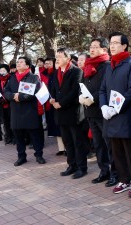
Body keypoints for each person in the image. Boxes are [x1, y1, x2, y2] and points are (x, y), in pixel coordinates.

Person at [99, 31, 131, 198]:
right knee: (116, 149)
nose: (112, 45)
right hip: (110, 115)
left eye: (116, 43)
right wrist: (104, 107)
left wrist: (116, 108)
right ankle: (124, 179)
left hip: (125, 114)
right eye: (111, 43)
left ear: (124, 46)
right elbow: (103, 89)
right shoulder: (110, 66)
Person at [81, 37, 117, 186]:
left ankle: (115, 173)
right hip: (90, 112)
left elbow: (107, 88)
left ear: (104, 49)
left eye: (95, 46)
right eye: (91, 46)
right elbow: (84, 86)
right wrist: (82, 97)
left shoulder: (107, 65)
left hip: (103, 111)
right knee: (98, 145)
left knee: (110, 145)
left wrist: (93, 99)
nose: (92, 49)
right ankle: (104, 171)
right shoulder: (87, 66)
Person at [51, 48, 89, 179]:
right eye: (56, 57)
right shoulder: (56, 72)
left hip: (74, 112)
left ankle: (82, 167)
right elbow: (54, 89)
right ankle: (71, 165)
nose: (57, 59)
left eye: (60, 56)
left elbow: (74, 92)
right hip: (61, 113)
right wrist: (52, 99)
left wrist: (60, 103)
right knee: (67, 142)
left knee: (78, 141)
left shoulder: (77, 71)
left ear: (68, 58)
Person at [4, 56, 46, 166]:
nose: (18, 64)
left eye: (21, 62)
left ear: (27, 66)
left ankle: (39, 155)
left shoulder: (33, 78)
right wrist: (13, 96)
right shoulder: (12, 78)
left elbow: (33, 92)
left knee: (35, 135)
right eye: (18, 62)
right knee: (18, 136)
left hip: (30, 111)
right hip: (16, 111)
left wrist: (20, 97)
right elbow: (6, 91)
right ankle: (21, 156)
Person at [42, 57, 66, 156]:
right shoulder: (51, 75)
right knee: (56, 126)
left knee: (63, 127)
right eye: (46, 63)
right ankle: (61, 148)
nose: (48, 65)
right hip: (52, 103)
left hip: (62, 103)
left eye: (51, 63)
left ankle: (67, 148)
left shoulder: (61, 74)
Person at [0, 64, 14, 145]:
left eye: (4, 70)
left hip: (10, 104)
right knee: (5, 122)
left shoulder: (11, 78)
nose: (2, 72)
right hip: (2, 104)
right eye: (0, 70)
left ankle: (14, 137)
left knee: (12, 121)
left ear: (7, 71)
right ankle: (8, 137)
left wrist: (7, 99)